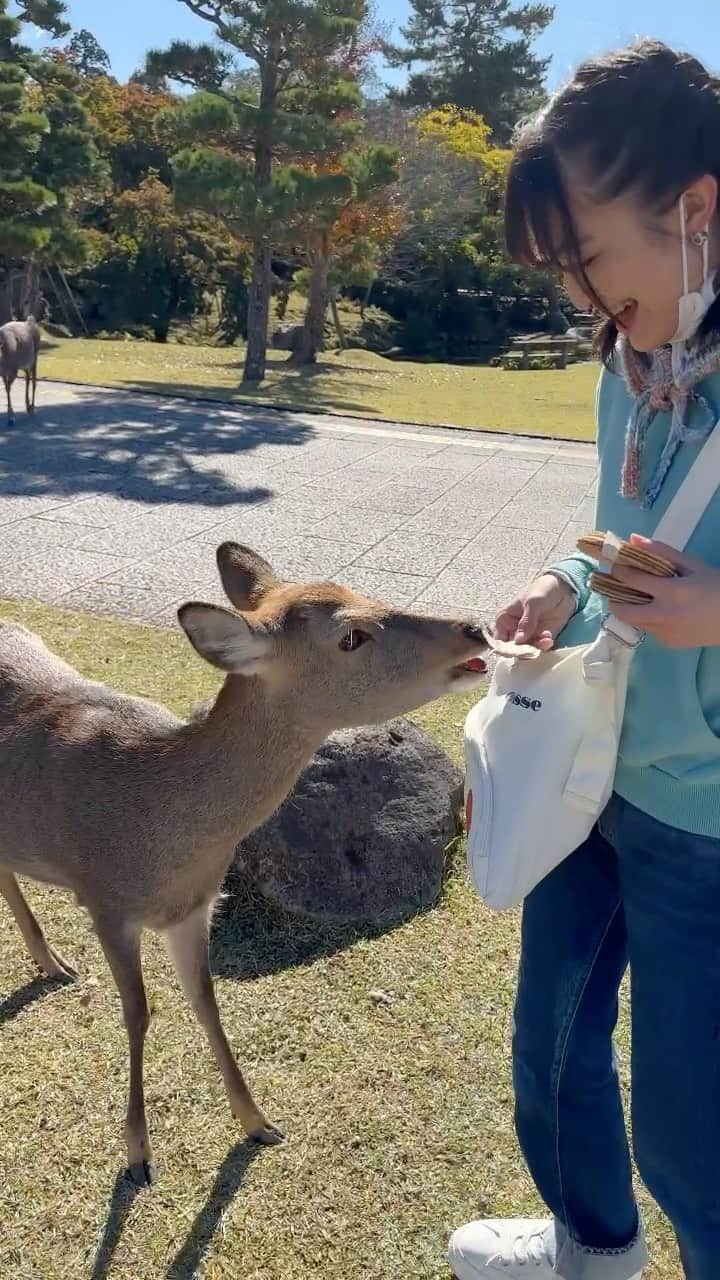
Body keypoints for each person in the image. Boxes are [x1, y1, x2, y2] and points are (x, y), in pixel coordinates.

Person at [447, 39, 720, 1280]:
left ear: (695, 208)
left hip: (707, 826)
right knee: (550, 1053)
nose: (579, 293)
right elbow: (625, 527)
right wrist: (564, 580)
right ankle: (591, 1251)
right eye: (562, 268)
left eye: (589, 255)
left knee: (692, 1141)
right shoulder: (635, 358)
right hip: (593, 770)